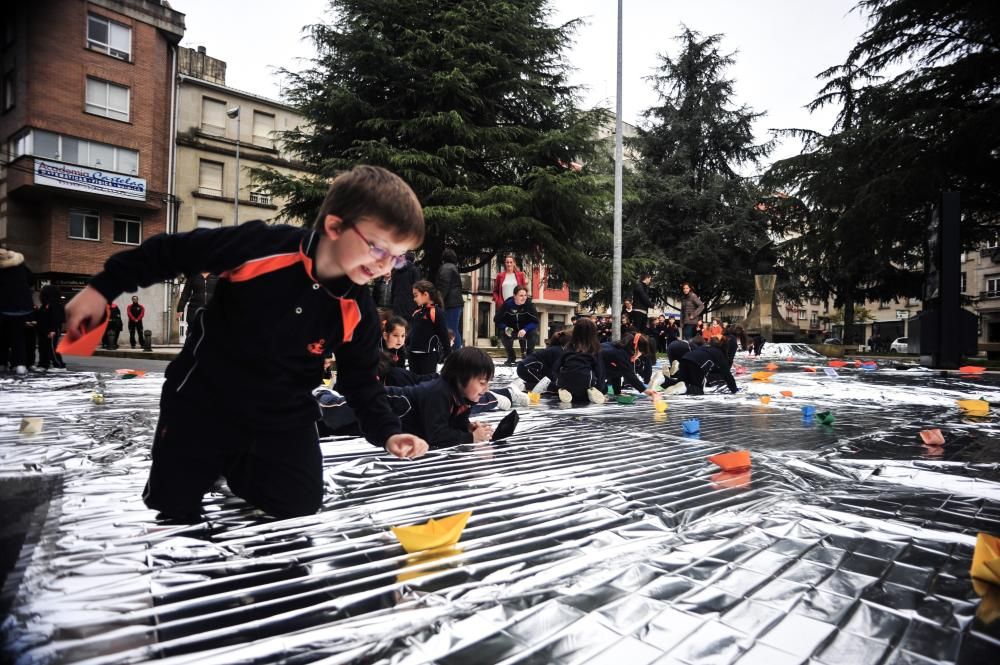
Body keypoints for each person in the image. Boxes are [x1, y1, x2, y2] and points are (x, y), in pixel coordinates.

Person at [63, 165, 429, 520]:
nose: (385, 266)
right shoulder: (265, 247)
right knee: (173, 506)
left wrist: (388, 433)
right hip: (204, 398)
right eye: (379, 248)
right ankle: (210, 464)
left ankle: (240, 468)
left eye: (397, 258)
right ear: (335, 226)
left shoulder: (358, 310)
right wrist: (101, 290)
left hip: (281, 414)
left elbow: (362, 381)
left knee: (297, 504)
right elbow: (171, 251)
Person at [555, 317, 607, 404]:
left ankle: (564, 391)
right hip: (586, 382)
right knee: (600, 387)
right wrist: (601, 390)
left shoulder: (569, 347)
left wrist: (558, 383)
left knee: (566, 383)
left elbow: (556, 367)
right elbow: (600, 371)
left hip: (566, 382)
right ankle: (591, 392)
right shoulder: (594, 348)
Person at [664, 337, 738, 396]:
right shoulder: (720, 354)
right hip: (696, 365)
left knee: (679, 382)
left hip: (685, 358)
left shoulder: (706, 348)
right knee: (698, 390)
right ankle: (685, 387)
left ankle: (663, 380)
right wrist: (735, 391)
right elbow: (728, 375)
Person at [0, 248, 34, 376]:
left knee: (2, 337)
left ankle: (2, 363)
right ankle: (19, 364)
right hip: (21, 308)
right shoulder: (19, 264)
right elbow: (31, 279)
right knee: (18, 337)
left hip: (3, 307)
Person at [409, 280, 451, 375]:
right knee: (414, 384)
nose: (414, 299)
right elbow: (412, 333)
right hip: (412, 355)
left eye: (416, 295)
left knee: (426, 385)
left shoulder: (436, 312)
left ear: (425, 294)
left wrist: (448, 354)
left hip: (428, 356)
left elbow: (443, 334)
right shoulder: (416, 312)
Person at [494, 285, 539, 366]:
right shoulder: (507, 305)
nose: (524, 298)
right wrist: (505, 327)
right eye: (521, 295)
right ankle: (511, 357)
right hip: (512, 330)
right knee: (503, 335)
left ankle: (529, 357)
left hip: (525, 331)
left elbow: (535, 322)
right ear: (514, 296)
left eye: (525, 295)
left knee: (534, 333)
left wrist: (525, 329)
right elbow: (497, 320)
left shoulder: (529, 305)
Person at [436, 248, 464, 349]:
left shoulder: (446, 268)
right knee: (455, 330)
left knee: (451, 331)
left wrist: (438, 300)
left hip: (450, 304)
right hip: (456, 303)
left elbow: (444, 286)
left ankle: (456, 354)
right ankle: (457, 353)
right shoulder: (453, 267)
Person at [36, 284, 66, 372]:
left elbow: (56, 318)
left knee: (52, 348)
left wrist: (53, 329)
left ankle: (60, 365)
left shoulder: (55, 305)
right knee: (43, 348)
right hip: (43, 329)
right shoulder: (45, 305)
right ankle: (43, 364)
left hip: (51, 329)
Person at [390, 251, 421, 323]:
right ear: (414, 259)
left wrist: (392, 302)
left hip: (397, 303)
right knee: (409, 327)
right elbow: (417, 287)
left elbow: (393, 288)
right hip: (410, 303)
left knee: (398, 324)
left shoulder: (396, 271)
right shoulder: (415, 270)